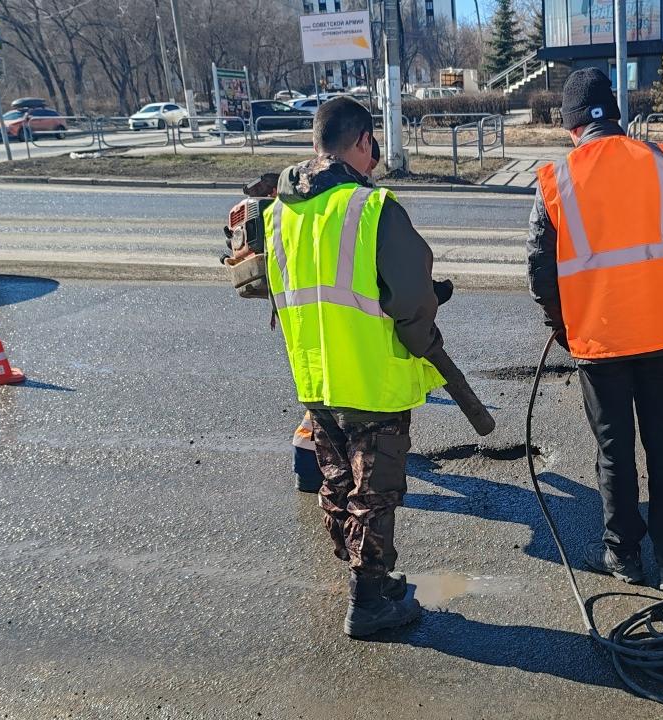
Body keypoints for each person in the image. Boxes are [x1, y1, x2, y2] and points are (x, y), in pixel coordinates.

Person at [267, 96, 458, 638]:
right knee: (375, 491)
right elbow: (410, 298)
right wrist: (428, 326)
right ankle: (369, 600)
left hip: (315, 374)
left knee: (334, 481)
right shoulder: (372, 208)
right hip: (371, 378)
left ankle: (362, 576)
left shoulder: (279, 211)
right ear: (363, 143)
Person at [526, 68, 663, 594]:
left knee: (615, 452)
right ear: (616, 117)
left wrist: (564, 328)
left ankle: (625, 555)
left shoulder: (557, 180)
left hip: (600, 343)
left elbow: (541, 271)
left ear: (571, 127)